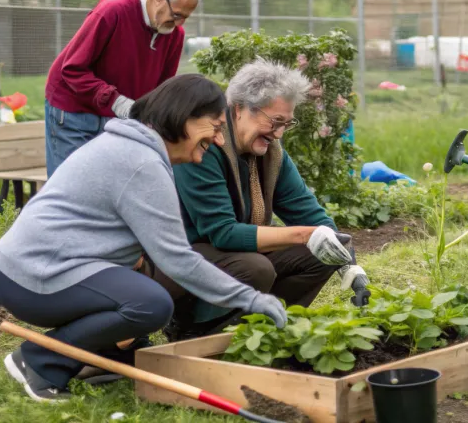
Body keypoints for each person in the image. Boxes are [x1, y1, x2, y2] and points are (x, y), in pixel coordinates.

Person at [0, 74, 287, 402]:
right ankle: (40, 361)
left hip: (31, 267)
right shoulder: (142, 163)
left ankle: (110, 351)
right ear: (184, 116)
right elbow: (178, 259)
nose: (219, 140)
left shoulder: (135, 147)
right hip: (33, 277)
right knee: (150, 304)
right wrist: (251, 298)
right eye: (215, 127)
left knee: (141, 282)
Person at [153, 58, 370, 341]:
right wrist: (305, 234)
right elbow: (222, 233)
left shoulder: (272, 152)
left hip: (228, 255)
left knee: (322, 252)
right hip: (183, 259)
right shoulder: (206, 147)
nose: (278, 133)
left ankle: (264, 331)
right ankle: (197, 333)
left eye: (286, 123)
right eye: (274, 121)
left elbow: (307, 211)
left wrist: (348, 263)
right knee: (256, 269)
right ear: (240, 109)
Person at [43, 0, 202, 177]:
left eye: (185, 18)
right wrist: (117, 101)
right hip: (74, 110)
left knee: (109, 187)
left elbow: (162, 89)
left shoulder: (174, 35)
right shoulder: (113, 11)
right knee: (71, 185)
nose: (179, 24)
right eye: (177, 15)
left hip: (118, 117)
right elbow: (72, 69)